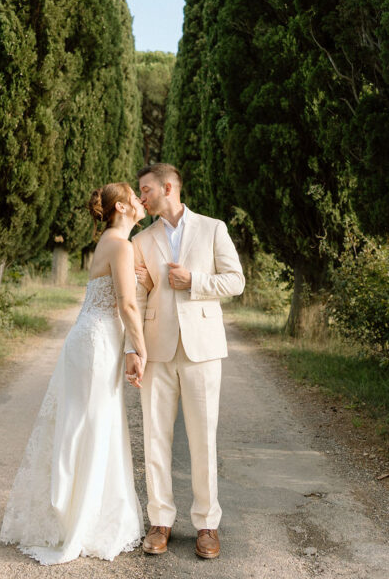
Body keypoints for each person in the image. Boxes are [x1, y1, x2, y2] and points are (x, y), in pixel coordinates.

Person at [0, 183, 148, 564]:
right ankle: (78, 521)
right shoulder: (120, 244)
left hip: (92, 339)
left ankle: (76, 513)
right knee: (92, 426)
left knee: (86, 424)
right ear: (121, 206)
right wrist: (140, 347)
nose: (140, 202)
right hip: (97, 344)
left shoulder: (112, 242)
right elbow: (128, 305)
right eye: (135, 197)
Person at [124, 163, 245, 560]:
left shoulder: (213, 228)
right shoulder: (142, 240)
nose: (140, 198)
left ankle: (207, 525)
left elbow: (235, 281)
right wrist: (133, 349)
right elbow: (138, 299)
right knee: (155, 437)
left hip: (203, 350)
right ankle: (160, 522)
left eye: (146, 190)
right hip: (156, 351)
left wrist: (194, 280)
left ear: (168, 187)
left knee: (202, 440)